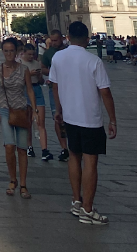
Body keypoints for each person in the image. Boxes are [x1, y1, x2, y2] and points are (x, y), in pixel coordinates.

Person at [50, 21, 117, 225]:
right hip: (90, 119)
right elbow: (104, 91)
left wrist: (59, 110)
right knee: (90, 162)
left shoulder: (58, 57)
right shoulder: (93, 60)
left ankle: (76, 201)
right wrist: (112, 119)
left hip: (69, 116)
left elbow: (55, 85)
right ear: (87, 39)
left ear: (67, 37)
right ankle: (88, 209)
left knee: (74, 157)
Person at [0, 38, 37, 199]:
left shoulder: (23, 69)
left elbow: (30, 90)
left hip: (21, 110)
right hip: (5, 109)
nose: (9, 54)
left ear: (16, 52)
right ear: (2, 52)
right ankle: (12, 179)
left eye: (12, 51)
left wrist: (35, 109)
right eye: (6, 51)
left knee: (22, 148)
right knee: (9, 146)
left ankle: (23, 184)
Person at [41, 30, 70, 162]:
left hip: (69, 89)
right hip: (54, 89)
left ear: (62, 39)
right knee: (57, 117)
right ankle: (64, 148)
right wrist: (53, 72)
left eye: (55, 40)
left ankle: (73, 145)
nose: (53, 43)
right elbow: (43, 68)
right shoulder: (48, 53)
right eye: (51, 40)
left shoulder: (69, 51)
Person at [21, 44, 52, 161]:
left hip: (37, 90)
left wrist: (39, 76)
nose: (31, 56)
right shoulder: (20, 64)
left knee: (40, 121)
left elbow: (40, 81)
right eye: (28, 54)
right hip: (24, 91)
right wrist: (29, 74)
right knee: (28, 122)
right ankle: (29, 147)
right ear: (23, 53)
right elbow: (18, 80)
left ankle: (44, 149)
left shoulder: (36, 63)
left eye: (32, 54)